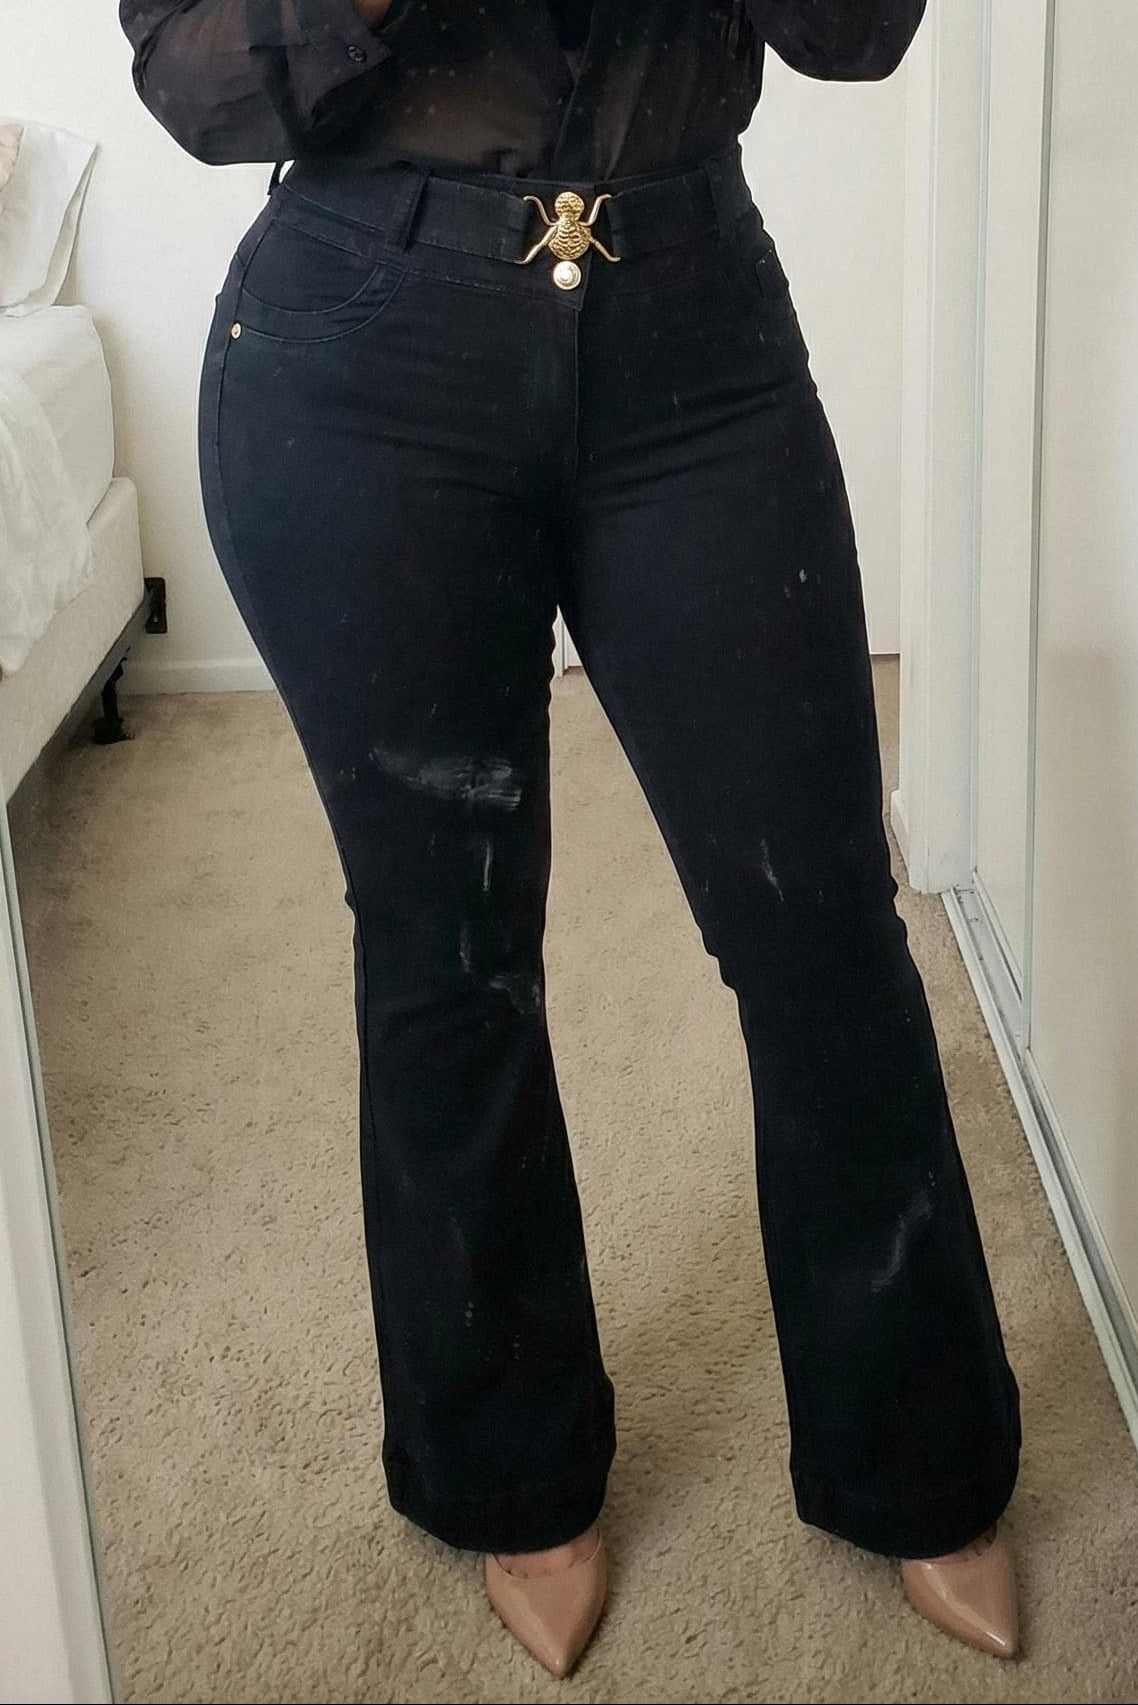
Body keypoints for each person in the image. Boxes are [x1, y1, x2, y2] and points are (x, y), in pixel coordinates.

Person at [120, 0, 1023, 1679]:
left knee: (822, 929)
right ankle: (506, 1464)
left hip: (697, 345)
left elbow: (858, 36)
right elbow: (196, 82)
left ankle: (919, 1453)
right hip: (360, 354)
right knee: (443, 946)